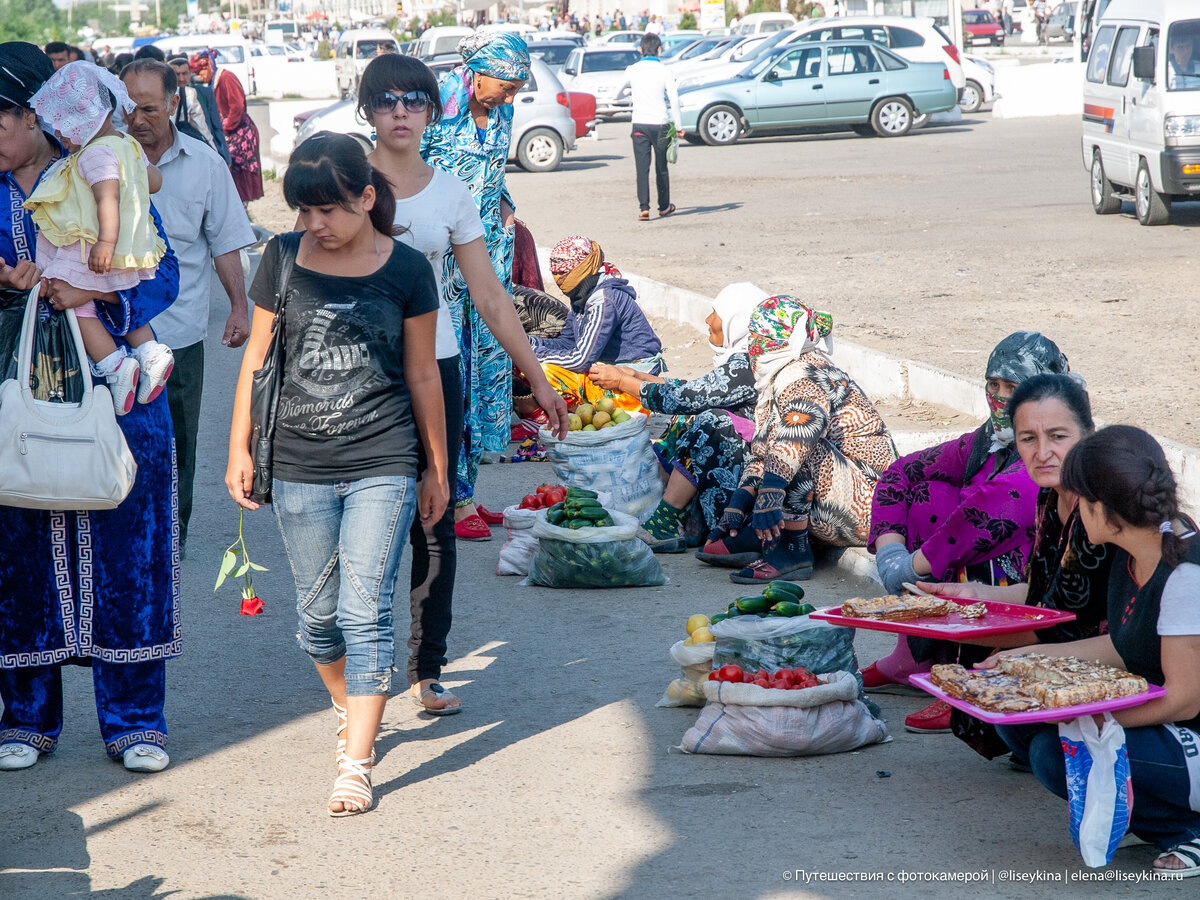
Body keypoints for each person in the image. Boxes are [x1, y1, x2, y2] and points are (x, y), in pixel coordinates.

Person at [225, 133, 448, 816]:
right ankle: (350, 707)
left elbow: (421, 372)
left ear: (367, 198)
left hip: (383, 458)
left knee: (366, 610)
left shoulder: (409, 270)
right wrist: (239, 449)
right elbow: (258, 358)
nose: (315, 226)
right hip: (297, 463)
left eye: (329, 211)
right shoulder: (283, 257)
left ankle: (356, 761)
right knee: (318, 622)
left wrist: (437, 466)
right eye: (304, 211)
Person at [358, 53, 566, 712]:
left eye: (412, 101)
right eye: (386, 100)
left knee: (434, 518)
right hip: (357, 375)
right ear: (367, 109)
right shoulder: (344, 181)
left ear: (430, 110)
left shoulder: (450, 193)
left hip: (436, 368)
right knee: (359, 526)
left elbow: (490, 295)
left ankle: (427, 665)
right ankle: (362, 665)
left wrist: (536, 376)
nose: (399, 112)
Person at [0, 42, 181, 774]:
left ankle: (135, 720)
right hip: (16, 395)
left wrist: (96, 292)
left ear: (37, 115)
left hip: (117, 394)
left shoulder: (105, 168)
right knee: (16, 554)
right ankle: (25, 718)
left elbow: (161, 271)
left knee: (129, 552)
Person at [989, 426, 1200, 879]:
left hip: (1192, 729)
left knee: (1053, 751)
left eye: (1079, 500)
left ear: (1102, 509)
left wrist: (1083, 717)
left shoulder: (1184, 574)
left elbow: (1186, 699)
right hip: (1176, 729)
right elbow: (1130, 643)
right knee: (1019, 725)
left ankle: (1185, 827)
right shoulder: (1134, 552)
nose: (1074, 512)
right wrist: (1026, 663)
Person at [865, 331, 1071, 734]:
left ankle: (972, 670)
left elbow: (984, 516)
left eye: (1014, 387)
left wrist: (909, 570)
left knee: (984, 540)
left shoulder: (1055, 452)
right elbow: (901, 472)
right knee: (928, 493)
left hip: (1044, 590)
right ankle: (915, 654)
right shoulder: (987, 442)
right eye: (993, 384)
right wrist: (891, 552)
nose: (999, 396)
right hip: (973, 567)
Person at [122, 59, 256, 555]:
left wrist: (239, 307)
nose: (137, 119)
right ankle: (120, 536)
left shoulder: (204, 164)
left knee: (178, 444)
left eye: (149, 108)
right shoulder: (102, 159)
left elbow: (224, 243)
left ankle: (170, 543)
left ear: (175, 105)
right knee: (114, 440)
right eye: (129, 107)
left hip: (178, 337)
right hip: (108, 335)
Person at [703, 295, 897, 583]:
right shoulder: (782, 374)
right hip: (842, 495)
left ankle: (793, 550)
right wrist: (739, 504)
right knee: (781, 446)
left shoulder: (803, 373)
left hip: (870, 507)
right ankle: (761, 538)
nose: (752, 346)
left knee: (798, 443)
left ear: (775, 339)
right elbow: (762, 449)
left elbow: (800, 434)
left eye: (758, 336)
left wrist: (770, 493)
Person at [420, 31, 530, 539]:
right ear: (478, 72)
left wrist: (504, 201)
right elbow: (409, 165)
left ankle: (467, 490)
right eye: (506, 88)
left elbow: (491, 169)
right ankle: (452, 497)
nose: (511, 99)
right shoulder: (437, 102)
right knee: (450, 373)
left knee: (482, 373)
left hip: (485, 254)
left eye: (516, 90)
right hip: (440, 260)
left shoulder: (502, 111)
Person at [23, 61, 174, 415]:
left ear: (82, 119)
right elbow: (154, 182)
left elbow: (107, 196)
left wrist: (105, 241)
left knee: (81, 307)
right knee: (118, 300)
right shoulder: (125, 144)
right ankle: (150, 351)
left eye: (62, 125)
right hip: (130, 249)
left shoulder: (94, 155)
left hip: (92, 248)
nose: (57, 133)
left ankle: (114, 364)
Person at [591, 282, 766, 553]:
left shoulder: (747, 366)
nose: (708, 320)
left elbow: (686, 398)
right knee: (689, 417)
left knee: (710, 422)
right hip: (738, 462)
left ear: (737, 321)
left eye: (716, 314)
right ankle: (676, 514)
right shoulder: (743, 360)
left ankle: (665, 522)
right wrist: (637, 377)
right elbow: (694, 389)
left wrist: (623, 382)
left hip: (754, 476)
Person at [533, 235, 664, 396]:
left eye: (564, 273)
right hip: (607, 368)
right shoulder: (582, 296)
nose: (559, 279)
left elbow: (580, 360)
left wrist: (533, 354)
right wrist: (529, 343)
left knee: (543, 372)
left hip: (633, 373)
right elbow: (568, 343)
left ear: (583, 268)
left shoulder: (603, 300)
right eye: (556, 273)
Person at [189, 50, 263, 205]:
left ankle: (240, 209)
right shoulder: (215, 81)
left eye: (200, 72)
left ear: (208, 66)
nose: (200, 77)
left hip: (240, 132)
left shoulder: (227, 78)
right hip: (230, 131)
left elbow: (237, 107)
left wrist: (226, 129)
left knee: (236, 172)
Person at [627, 33, 683, 221]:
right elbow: (674, 100)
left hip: (639, 124)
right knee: (661, 167)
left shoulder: (632, 70)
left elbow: (618, 91)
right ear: (659, 49)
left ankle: (644, 208)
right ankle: (664, 206)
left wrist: (630, 93)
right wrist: (678, 125)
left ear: (641, 50)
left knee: (642, 168)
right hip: (660, 123)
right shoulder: (665, 71)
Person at [166, 55, 230, 163]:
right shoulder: (164, 97)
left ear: (190, 73)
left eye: (184, 73)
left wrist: (224, 157)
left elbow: (216, 127)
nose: (181, 79)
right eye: (177, 74)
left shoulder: (204, 93)